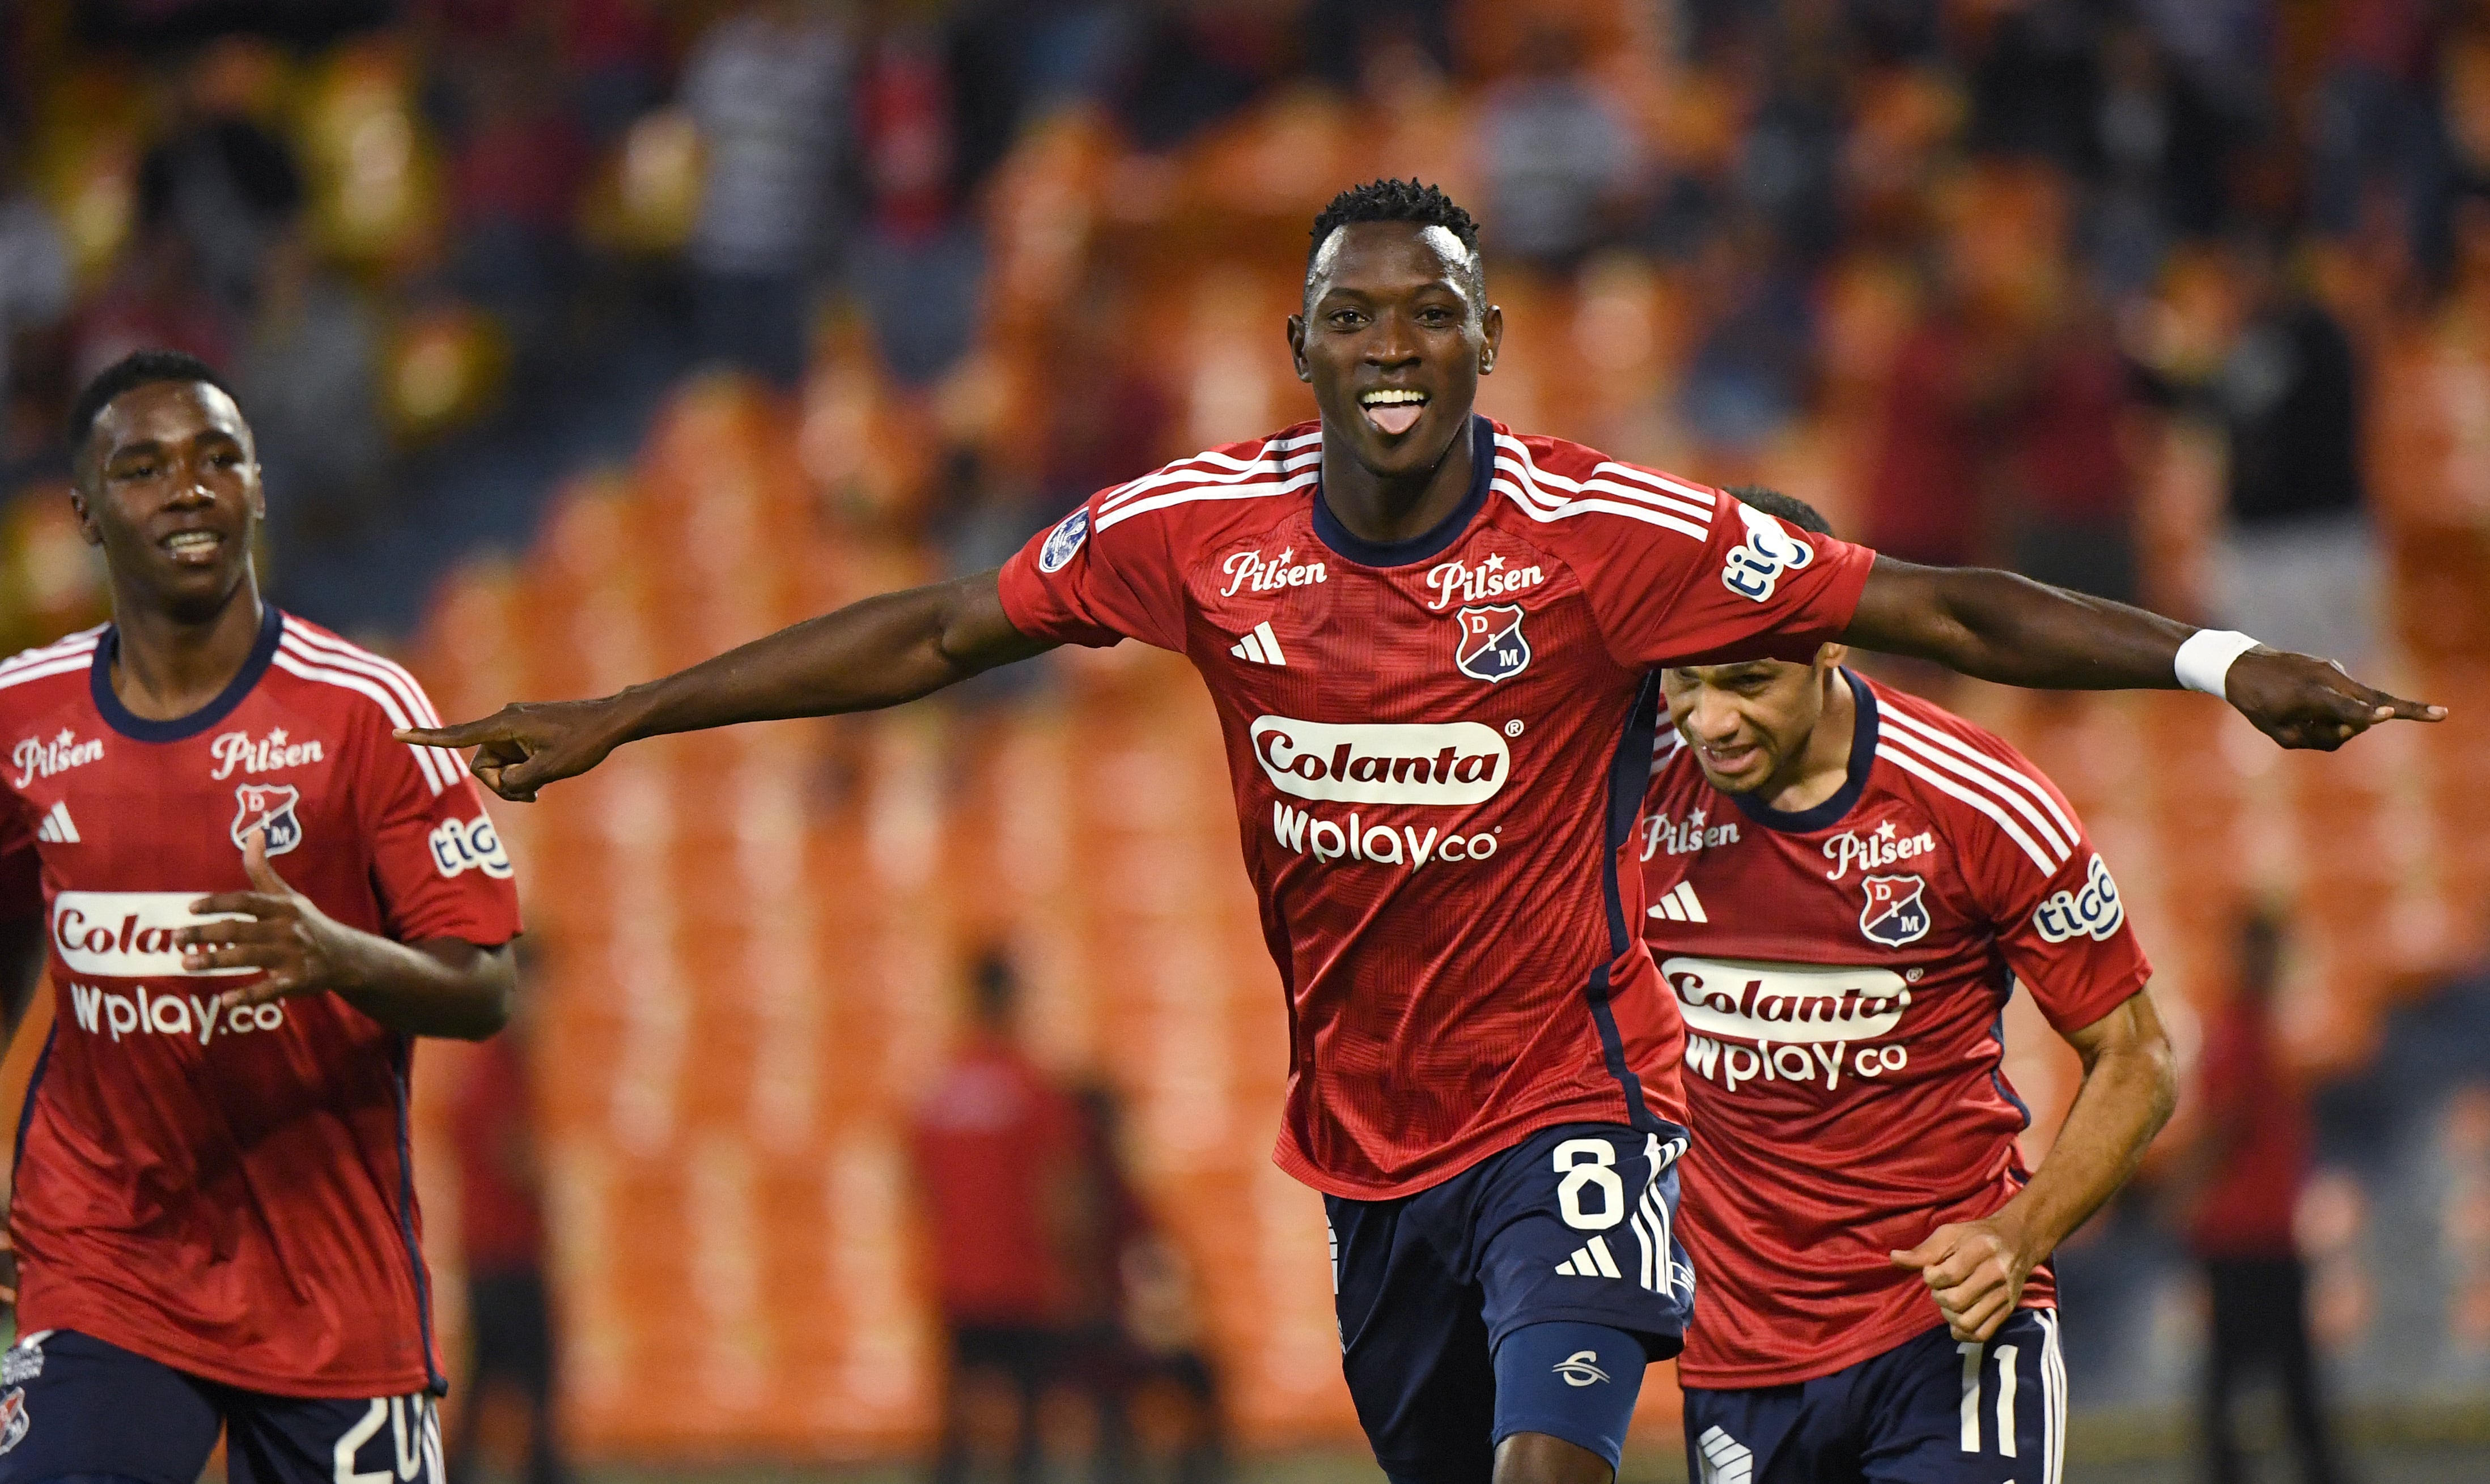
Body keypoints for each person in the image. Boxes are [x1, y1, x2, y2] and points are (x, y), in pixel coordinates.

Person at [404, 180, 2435, 1484]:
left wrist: (2213, 659)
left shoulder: (1599, 541)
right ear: (1303, 349)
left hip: (1581, 1096)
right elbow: (937, 633)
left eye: (1430, 319)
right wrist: (626, 711)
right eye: (1354, 322)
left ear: (1483, 344)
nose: (1393, 352)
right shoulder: (1192, 531)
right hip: (1366, 1146)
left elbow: (1922, 603)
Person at [0, 349, 522, 1484]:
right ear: (85, 510)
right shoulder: (20, 715)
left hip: (329, 1288)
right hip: (105, 1257)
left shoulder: (366, 709)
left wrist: (340, 956)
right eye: (142, 466)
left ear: (258, 488)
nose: (187, 487)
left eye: (216, 458)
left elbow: (487, 984)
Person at [1633, 489, 2177, 1483]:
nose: (1709, 719)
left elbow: (2134, 1053)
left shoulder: (1979, 802)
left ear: (1834, 637)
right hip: (1736, 1356)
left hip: (1946, 1334)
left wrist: (2020, 1232)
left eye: (1747, 679)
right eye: (1685, 681)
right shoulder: (1625, 790)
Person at [2178, 913, 2349, 1484]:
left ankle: (2252, 1467)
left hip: (2262, 1226)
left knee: (2252, 1368)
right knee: (2258, 1368)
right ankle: (2271, 1468)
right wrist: (2189, 1192)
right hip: (2243, 1232)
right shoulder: (2239, 1034)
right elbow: (2224, 1126)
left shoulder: (2257, 1030)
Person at [909, 951, 1082, 1484]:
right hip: (1022, 1278)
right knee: (1027, 1429)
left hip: (957, 1277)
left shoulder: (937, 1091)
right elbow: (1059, 1189)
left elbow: (921, 1188)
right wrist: (1073, 1268)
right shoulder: (1031, 1086)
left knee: (959, 1425)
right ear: (1012, 999)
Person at [445, 1005, 567, 1484]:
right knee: (530, 1375)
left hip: (498, 1252)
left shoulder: (503, 1065)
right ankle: (542, 1472)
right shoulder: (495, 1069)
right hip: (503, 1254)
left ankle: (465, 1471)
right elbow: (510, 1151)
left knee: (494, 1379)